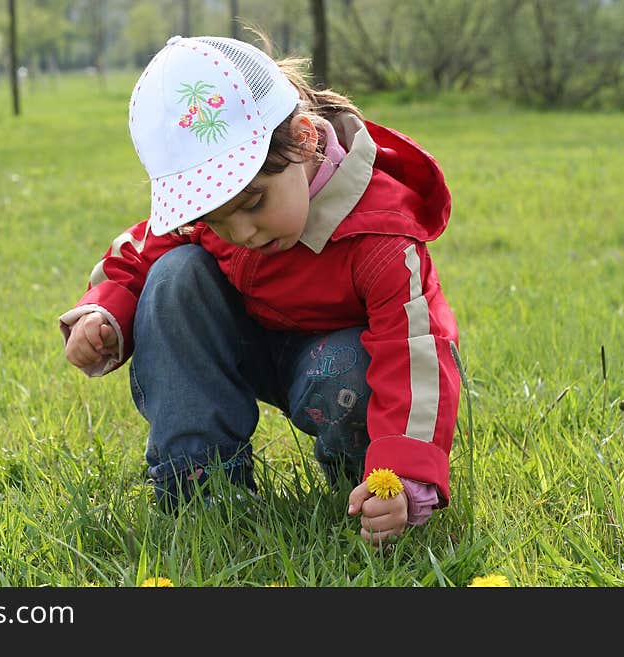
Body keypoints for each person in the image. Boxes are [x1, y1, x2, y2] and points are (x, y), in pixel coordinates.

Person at [59, 34, 461, 546]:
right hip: (251, 339)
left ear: (305, 140)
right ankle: (201, 484)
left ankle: (366, 486)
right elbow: (149, 245)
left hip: (334, 364)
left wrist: (403, 473)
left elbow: (414, 356)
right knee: (175, 276)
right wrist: (104, 311)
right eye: (215, 219)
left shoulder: (378, 236)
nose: (242, 232)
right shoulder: (227, 211)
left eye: (253, 204)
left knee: (354, 369)